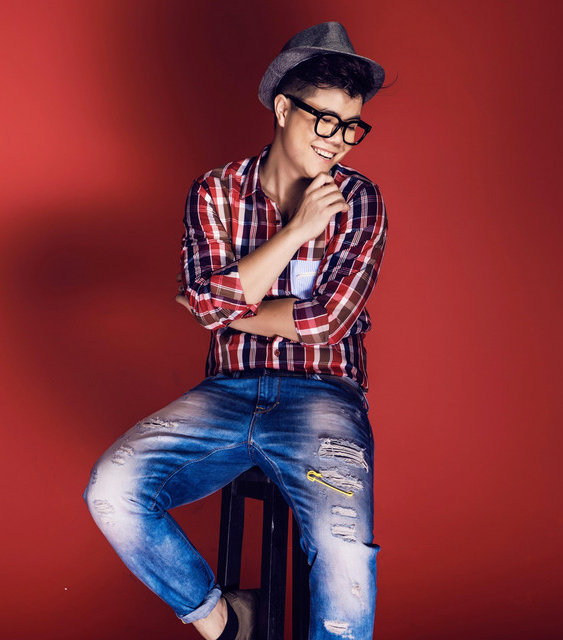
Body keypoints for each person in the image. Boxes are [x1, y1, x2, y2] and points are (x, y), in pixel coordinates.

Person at [85, 21, 387, 640]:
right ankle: (223, 621)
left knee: (345, 554)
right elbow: (217, 305)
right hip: (226, 393)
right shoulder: (216, 191)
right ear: (283, 109)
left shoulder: (360, 200)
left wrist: (222, 303)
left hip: (323, 397)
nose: (338, 141)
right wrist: (297, 232)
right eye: (324, 120)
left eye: (351, 126)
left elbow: (327, 321)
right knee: (112, 490)